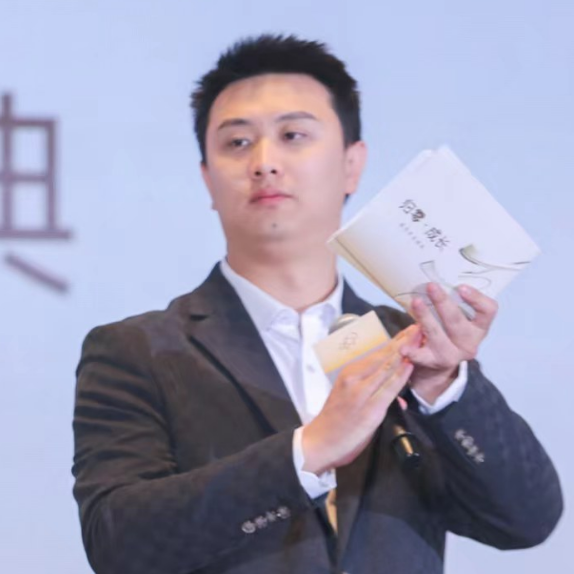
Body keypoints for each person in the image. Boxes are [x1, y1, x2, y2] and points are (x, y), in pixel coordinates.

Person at [72, 34, 562, 574]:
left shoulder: (413, 339)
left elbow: (525, 521)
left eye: (293, 135)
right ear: (207, 179)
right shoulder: (138, 351)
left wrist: (444, 387)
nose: (265, 162)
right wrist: (306, 452)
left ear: (352, 164)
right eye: (237, 142)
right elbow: (118, 544)